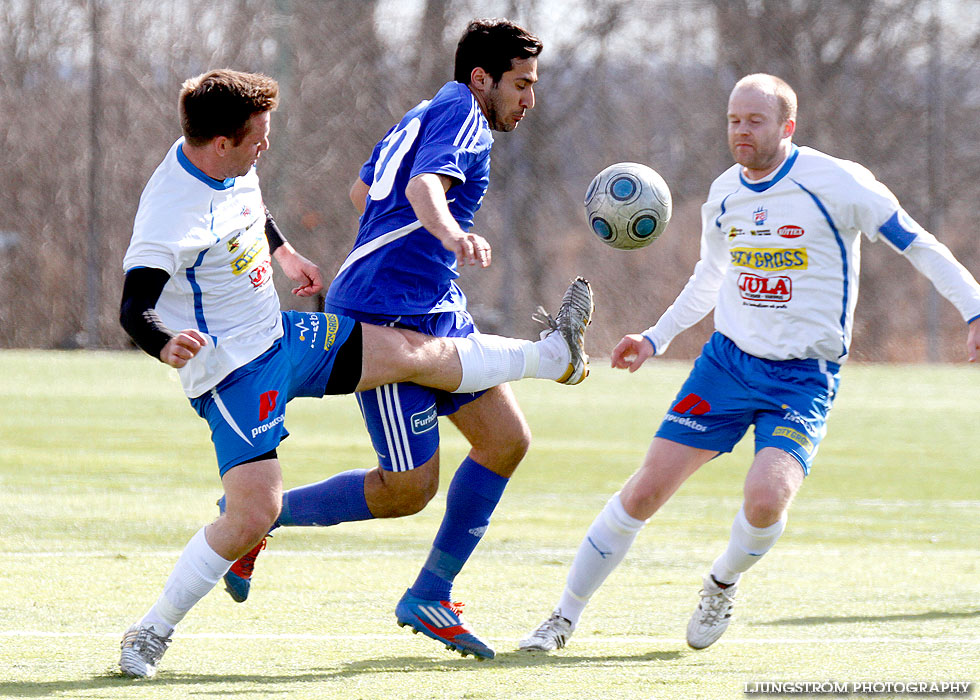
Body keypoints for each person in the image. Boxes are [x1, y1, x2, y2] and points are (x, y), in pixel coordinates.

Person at [116, 68, 593, 678]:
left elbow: (249, 203)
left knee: (409, 349)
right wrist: (163, 343)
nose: (265, 147)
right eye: (256, 140)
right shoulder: (170, 212)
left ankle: (552, 356)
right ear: (219, 143)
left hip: (285, 337)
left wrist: (285, 254)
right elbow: (134, 306)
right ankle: (150, 632)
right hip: (233, 373)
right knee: (252, 513)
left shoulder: (228, 157)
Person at [519, 73, 980, 653]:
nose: (740, 131)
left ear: (787, 127)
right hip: (728, 365)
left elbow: (918, 243)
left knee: (766, 499)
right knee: (644, 491)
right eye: (734, 120)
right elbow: (710, 277)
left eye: (754, 121)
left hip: (802, 379)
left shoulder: (838, 184)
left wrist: (973, 310)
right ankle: (561, 617)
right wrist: (655, 338)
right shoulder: (724, 194)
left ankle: (721, 582)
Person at [222, 19, 556, 661]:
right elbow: (421, 186)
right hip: (386, 314)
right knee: (408, 490)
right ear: (481, 78)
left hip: (433, 305)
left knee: (506, 440)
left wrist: (418, 238)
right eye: (521, 84)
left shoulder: (427, 110)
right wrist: (449, 235)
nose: (529, 99)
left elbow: (362, 190)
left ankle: (432, 590)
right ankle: (256, 517)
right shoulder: (463, 112)